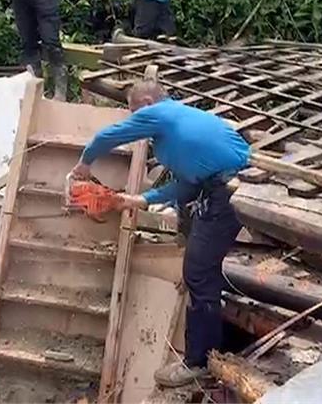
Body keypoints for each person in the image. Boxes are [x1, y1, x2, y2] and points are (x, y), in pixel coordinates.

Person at [70, 80, 251, 388]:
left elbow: (106, 137)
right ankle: (204, 333)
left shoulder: (161, 113)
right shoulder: (180, 125)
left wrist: (84, 165)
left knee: (198, 272)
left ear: (147, 102)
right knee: (200, 266)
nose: (134, 118)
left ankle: (199, 363)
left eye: (133, 110)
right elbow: (186, 185)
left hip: (228, 190)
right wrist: (138, 201)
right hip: (222, 186)